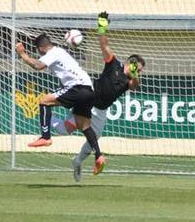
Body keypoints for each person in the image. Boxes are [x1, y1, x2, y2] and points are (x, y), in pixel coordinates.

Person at [50, 12, 144, 182]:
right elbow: (104, 45)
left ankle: (77, 161)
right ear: (131, 63)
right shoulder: (114, 64)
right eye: (139, 68)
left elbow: (135, 86)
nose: (140, 72)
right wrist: (102, 28)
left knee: (94, 138)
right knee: (66, 130)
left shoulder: (130, 80)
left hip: (101, 111)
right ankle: (46, 115)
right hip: (88, 99)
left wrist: (136, 75)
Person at [16, 34, 107, 175]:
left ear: (41, 48)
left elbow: (38, 66)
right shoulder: (60, 51)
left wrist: (23, 54)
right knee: (84, 126)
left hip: (77, 87)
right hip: (89, 90)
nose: (39, 54)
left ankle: (45, 137)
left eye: (38, 51)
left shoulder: (53, 52)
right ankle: (99, 155)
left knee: (43, 101)